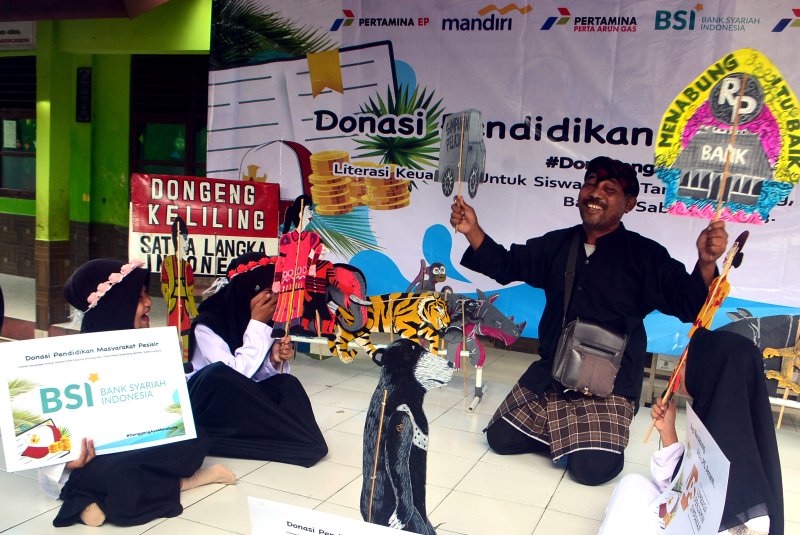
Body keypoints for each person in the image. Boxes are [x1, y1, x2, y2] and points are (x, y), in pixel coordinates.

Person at [449, 156, 728, 485]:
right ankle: (571, 436)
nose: (595, 193)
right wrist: (472, 230)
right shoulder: (557, 244)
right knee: (500, 438)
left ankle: (573, 438)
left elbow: (689, 304)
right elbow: (507, 264)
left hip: (609, 385)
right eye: (591, 184)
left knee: (593, 471)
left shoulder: (645, 255)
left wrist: (706, 262)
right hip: (553, 373)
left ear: (629, 204)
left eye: (609, 189)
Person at [43, 258, 234, 528]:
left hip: (140, 450)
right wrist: (66, 463)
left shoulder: (147, 349)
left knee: (195, 440)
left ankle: (90, 499)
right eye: (139, 297)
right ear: (116, 305)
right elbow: (44, 452)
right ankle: (180, 483)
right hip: (98, 461)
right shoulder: (69, 362)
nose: (148, 303)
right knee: (111, 472)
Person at [599, 328, 783, 534]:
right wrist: (667, 432)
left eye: (687, 362)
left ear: (707, 371)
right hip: (682, 520)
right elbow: (682, 492)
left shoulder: (747, 491)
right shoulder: (718, 424)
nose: (678, 368)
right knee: (633, 484)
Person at [187, 251, 328, 467]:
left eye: (275, 292)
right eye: (266, 292)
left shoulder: (260, 320)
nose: (273, 300)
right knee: (219, 373)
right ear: (245, 291)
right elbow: (233, 377)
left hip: (237, 398)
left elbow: (255, 377)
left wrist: (273, 359)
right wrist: (257, 325)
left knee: (287, 384)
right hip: (209, 403)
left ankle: (297, 437)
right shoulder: (207, 325)